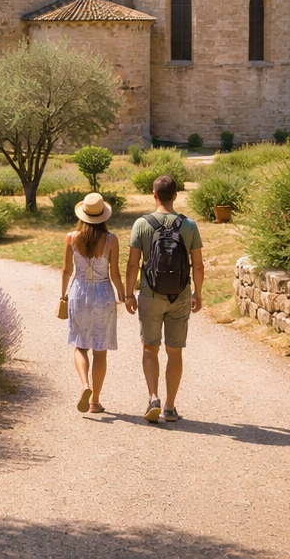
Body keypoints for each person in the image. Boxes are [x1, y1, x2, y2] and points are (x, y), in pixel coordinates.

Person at [123, 174, 204, 422]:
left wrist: (128, 294)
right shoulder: (189, 225)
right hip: (179, 295)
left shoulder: (142, 224)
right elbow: (198, 265)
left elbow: (133, 263)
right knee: (175, 351)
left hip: (150, 293)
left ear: (154, 194)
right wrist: (197, 293)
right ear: (176, 196)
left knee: (150, 347)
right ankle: (169, 407)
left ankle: (153, 398)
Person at [61, 192, 127, 415]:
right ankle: (95, 401)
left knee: (80, 345)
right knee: (100, 350)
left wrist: (63, 296)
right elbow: (115, 273)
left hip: (79, 292)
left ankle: (84, 385)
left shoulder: (71, 237)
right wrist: (124, 294)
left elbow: (66, 271)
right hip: (103, 293)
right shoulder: (111, 240)